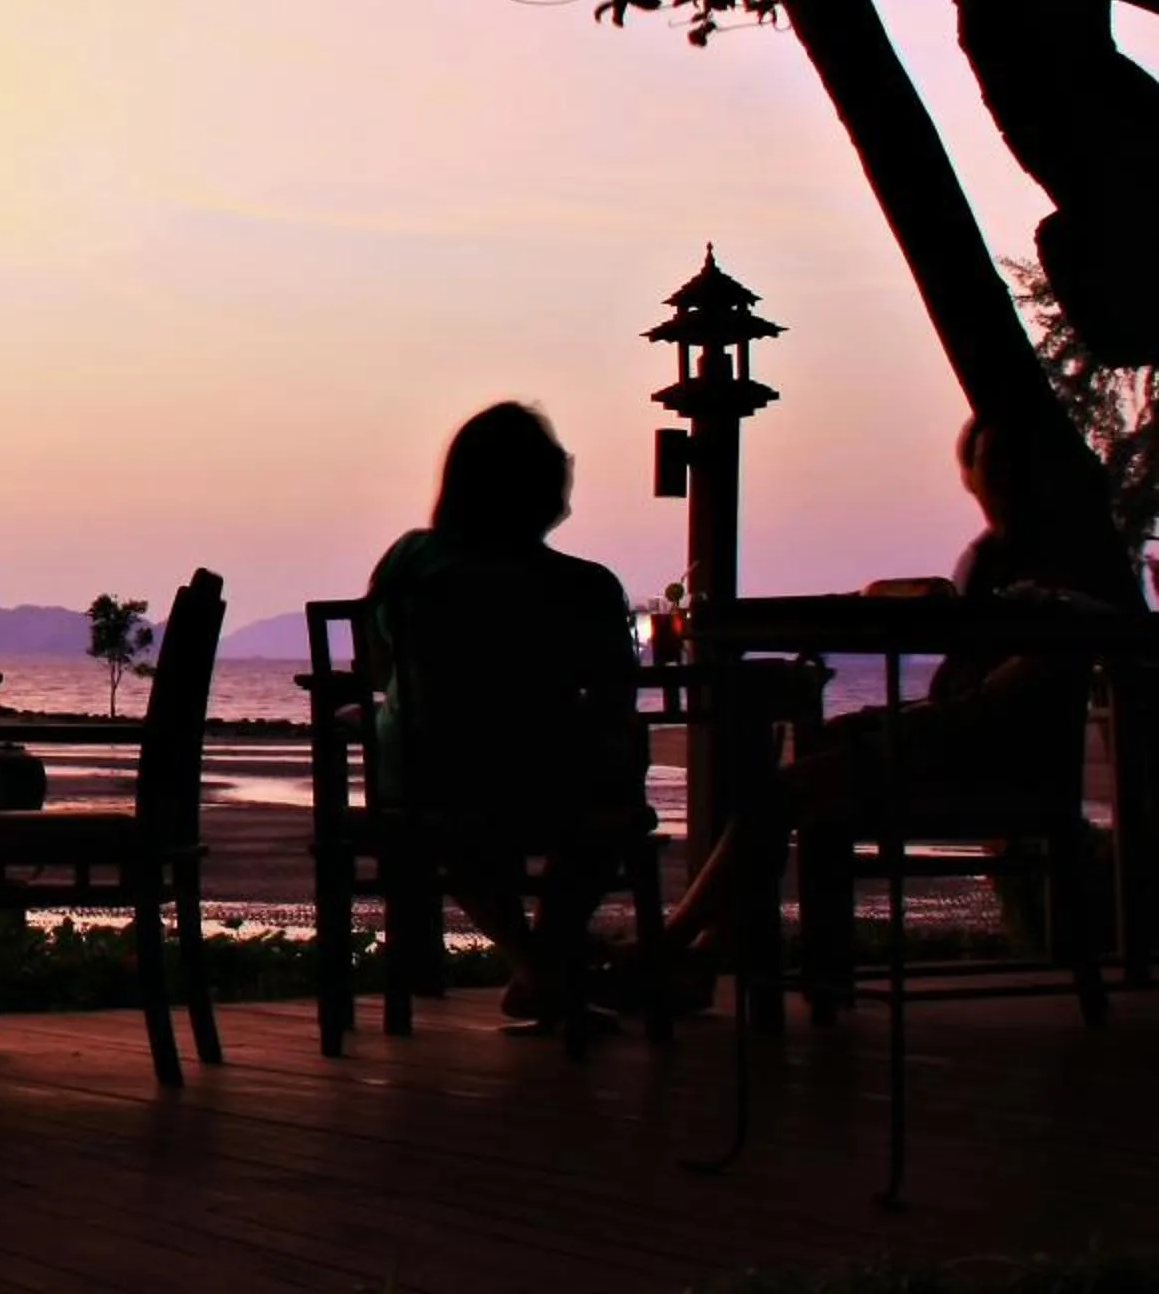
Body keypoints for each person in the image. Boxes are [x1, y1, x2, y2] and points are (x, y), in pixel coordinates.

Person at [656, 412, 1137, 986]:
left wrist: (920, 719)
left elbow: (998, 691)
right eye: (993, 467)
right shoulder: (995, 561)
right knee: (804, 772)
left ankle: (684, 947)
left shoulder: (1058, 581)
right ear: (972, 479)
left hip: (968, 759)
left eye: (1014, 468)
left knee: (783, 791)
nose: (1004, 481)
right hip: (954, 744)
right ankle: (707, 949)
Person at [364, 402, 646, 1022]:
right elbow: (613, 697)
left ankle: (534, 961)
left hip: (416, 781)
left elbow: (377, 671)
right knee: (613, 800)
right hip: (530, 784)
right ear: (539, 486)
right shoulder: (581, 586)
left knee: (461, 821)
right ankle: (547, 955)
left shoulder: (409, 562)